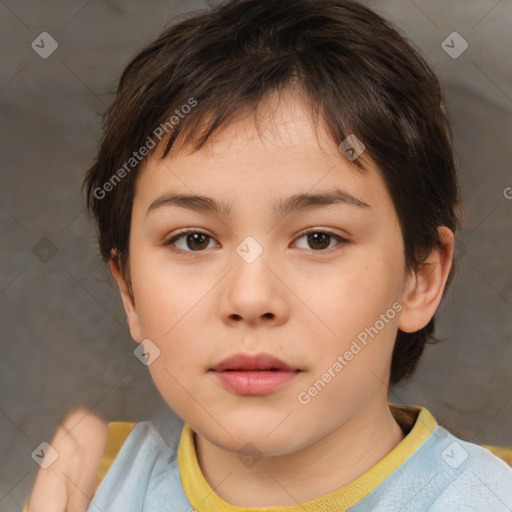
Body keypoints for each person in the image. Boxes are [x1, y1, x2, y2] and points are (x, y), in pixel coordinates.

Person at [25, 0, 512, 510]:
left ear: (421, 278)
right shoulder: (95, 486)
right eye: (194, 239)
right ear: (127, 289)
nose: (251, 298)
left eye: (319, 239)